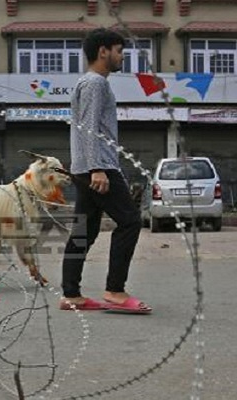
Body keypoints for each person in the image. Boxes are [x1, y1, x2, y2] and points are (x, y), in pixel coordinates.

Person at [59, 28, 151, 314]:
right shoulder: (95, 83)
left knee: (85, 231)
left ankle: (71, 295)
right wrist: (97, 168)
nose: (122, 56)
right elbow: (88, 127)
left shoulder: (89, 83)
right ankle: (115, 290)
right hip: (98, 167)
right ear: (103, 52)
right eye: (119, 51)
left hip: (86, 167)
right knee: (130, 221)